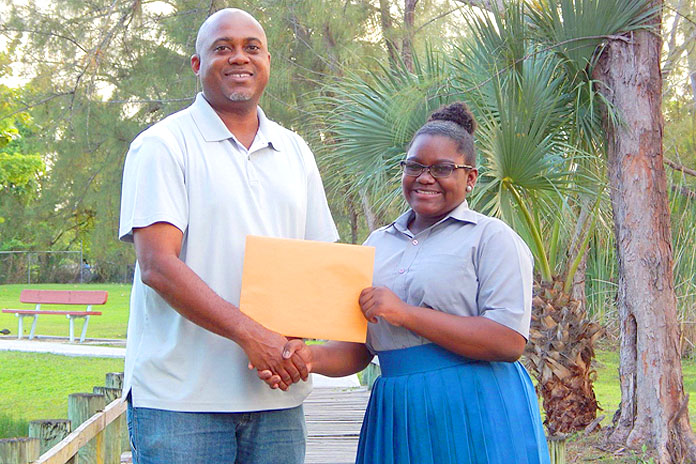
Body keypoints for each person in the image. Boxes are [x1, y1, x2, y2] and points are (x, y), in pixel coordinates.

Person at [260, 102, 551, 463]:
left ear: (471, 177)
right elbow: (361, 347)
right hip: (398, 409)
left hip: (476, 405)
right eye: (414, 166)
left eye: (443, 168)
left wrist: (405, 313)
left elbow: (508, 341)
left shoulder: (492, 239)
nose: (425, 177)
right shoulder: (376, 244)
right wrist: (310, 357)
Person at [118, 8, 338, 464]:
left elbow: (317, 264)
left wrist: (291, 346)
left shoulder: (295, 150)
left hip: (277, 399)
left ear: (267, 62)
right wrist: (252, 336)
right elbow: (158, 265)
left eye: (251, 47)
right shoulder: (163, 145)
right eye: (223, 48)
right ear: (198, 65)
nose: (239, 57)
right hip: (182, 402)